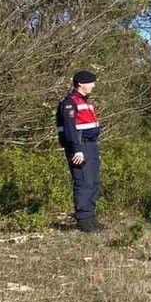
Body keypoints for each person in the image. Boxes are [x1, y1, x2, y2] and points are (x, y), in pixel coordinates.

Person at [57, 70, 104, 233]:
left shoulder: (86, 101)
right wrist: (76, 150)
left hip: (90, 145)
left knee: (93, 181)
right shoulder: (69, 103)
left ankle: (90, 218)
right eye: (91, 82)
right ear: (81, 84)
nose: (93, 85)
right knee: (84, 182)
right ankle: (84, 220)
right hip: (79, 146)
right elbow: (69, 129)